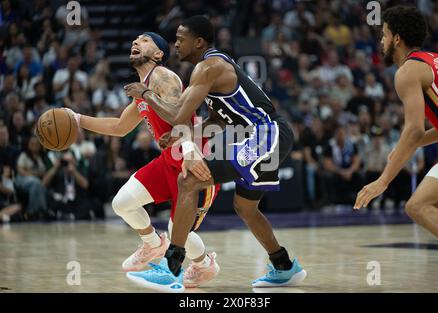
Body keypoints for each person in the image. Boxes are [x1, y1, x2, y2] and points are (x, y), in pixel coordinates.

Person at [124, 16, 306, 292]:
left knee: (189, 180)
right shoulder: (211, 69)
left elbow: (179, 115)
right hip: (262, 136)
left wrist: (146, 94)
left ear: (198, 42)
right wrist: (185, 136)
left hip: (265, 134)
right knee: (245, 207)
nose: (176, 44)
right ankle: (284, 266)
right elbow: (217, 121)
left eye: (181, 39)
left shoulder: (208, 67)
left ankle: (171, 268)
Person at [67, 31, 220, 287]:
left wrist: (146, 95)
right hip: (169, 161)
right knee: (122, 203)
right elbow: (118, 126)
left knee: (177, 232)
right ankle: (152, 244)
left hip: (194, 164)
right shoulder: (143, 88)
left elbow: (179, 117)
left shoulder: (162, 76)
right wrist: (77, 119)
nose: (136, 42)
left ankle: (204, 264)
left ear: (159, 54)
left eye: (145, 40)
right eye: (135, 39)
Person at [354, 5, 438, 246]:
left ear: (397, 39)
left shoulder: (407, 72)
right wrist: (407, 147)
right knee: (435, 207)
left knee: (419, 206)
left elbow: (414, 128)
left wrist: (383, 181)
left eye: (384, 34)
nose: (381, 41)